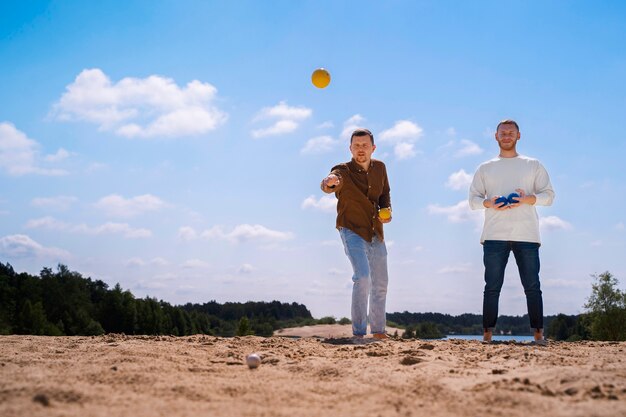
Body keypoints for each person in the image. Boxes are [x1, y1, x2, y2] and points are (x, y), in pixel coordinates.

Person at [469, 119, 555, 344]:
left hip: (526, 235)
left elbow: (549, 196)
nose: (507, 136)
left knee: (532, 286)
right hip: (494, 235)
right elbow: (473, 200)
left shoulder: (533, 164)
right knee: (492, 287)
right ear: (495, 136)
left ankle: (538, 334)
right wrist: (490, 203)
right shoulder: (485, 168)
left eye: (511, 132)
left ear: (519, 136)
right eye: (503, 133)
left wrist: (528, 198)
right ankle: (487, 335)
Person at [321, 128, 392, 340]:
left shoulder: (380, 168)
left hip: (375, 231)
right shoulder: (342, 170)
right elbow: (332, 181)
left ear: (373, 148)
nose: (361, 149)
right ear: (350, 148)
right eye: (356, 146)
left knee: (381, 283)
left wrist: (386, 210)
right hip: (351, 228)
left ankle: (378, 331)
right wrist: (329, 182)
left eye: (365, 145)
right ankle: (359, 333)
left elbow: (385, 193)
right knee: (362, 277)